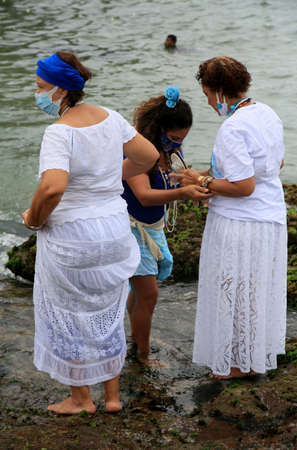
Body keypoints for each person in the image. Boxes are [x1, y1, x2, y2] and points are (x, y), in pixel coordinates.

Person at [21, 51, 159, 414]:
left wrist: (33, 218)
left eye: (39, 87)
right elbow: (148, 157)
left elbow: (53, 188)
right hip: (114, 230)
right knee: (107, 310)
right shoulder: (110, 118)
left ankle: (81, 399)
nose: (36, 93)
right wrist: (112, 177)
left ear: (60, 90)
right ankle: (112, 398)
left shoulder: (59, 132)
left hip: (73, 235)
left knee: (66, 312)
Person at [172, 56, 287, 379]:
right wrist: (202, 174)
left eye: (208, 95)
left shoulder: (232, 127)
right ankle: (250, 358)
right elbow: (272, 166)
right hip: (269, 219)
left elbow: (243, 185)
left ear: (219, 91)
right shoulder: (267, 113)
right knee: (253, 291)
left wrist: (205, 182)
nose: (209, 103)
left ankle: (232, 365)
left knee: (232, 291)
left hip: (239, 223)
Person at [122, 86, 213, 367]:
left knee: (140, 292)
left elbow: (172, 178)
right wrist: (181, 193)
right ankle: (143, 355)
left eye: (181, 140)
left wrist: (208, 174)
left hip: (151, 228)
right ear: (157, 129)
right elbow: (144, 196)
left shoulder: (166, 149)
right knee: (148, 294)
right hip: (132, 230)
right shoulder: (137, 152)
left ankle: (137, 338)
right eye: (173, 138)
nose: (177, 145)